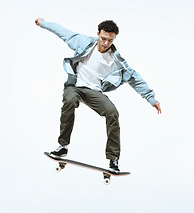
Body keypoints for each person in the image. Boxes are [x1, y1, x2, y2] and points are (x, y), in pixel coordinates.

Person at [35, 18, 161, 173]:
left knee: (112, 112)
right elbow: (63, 33)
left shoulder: (117, 61)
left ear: (114, 39)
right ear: (98, 34)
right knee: (70, 100)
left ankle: (113, 160)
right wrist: (43, 23)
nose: (106, 43)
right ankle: (62, 147)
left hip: (94, 92)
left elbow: (135, 78)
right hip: (74, 87)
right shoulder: (85, 42)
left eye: (110, 40)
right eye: (103, 39)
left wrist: (151, 98)